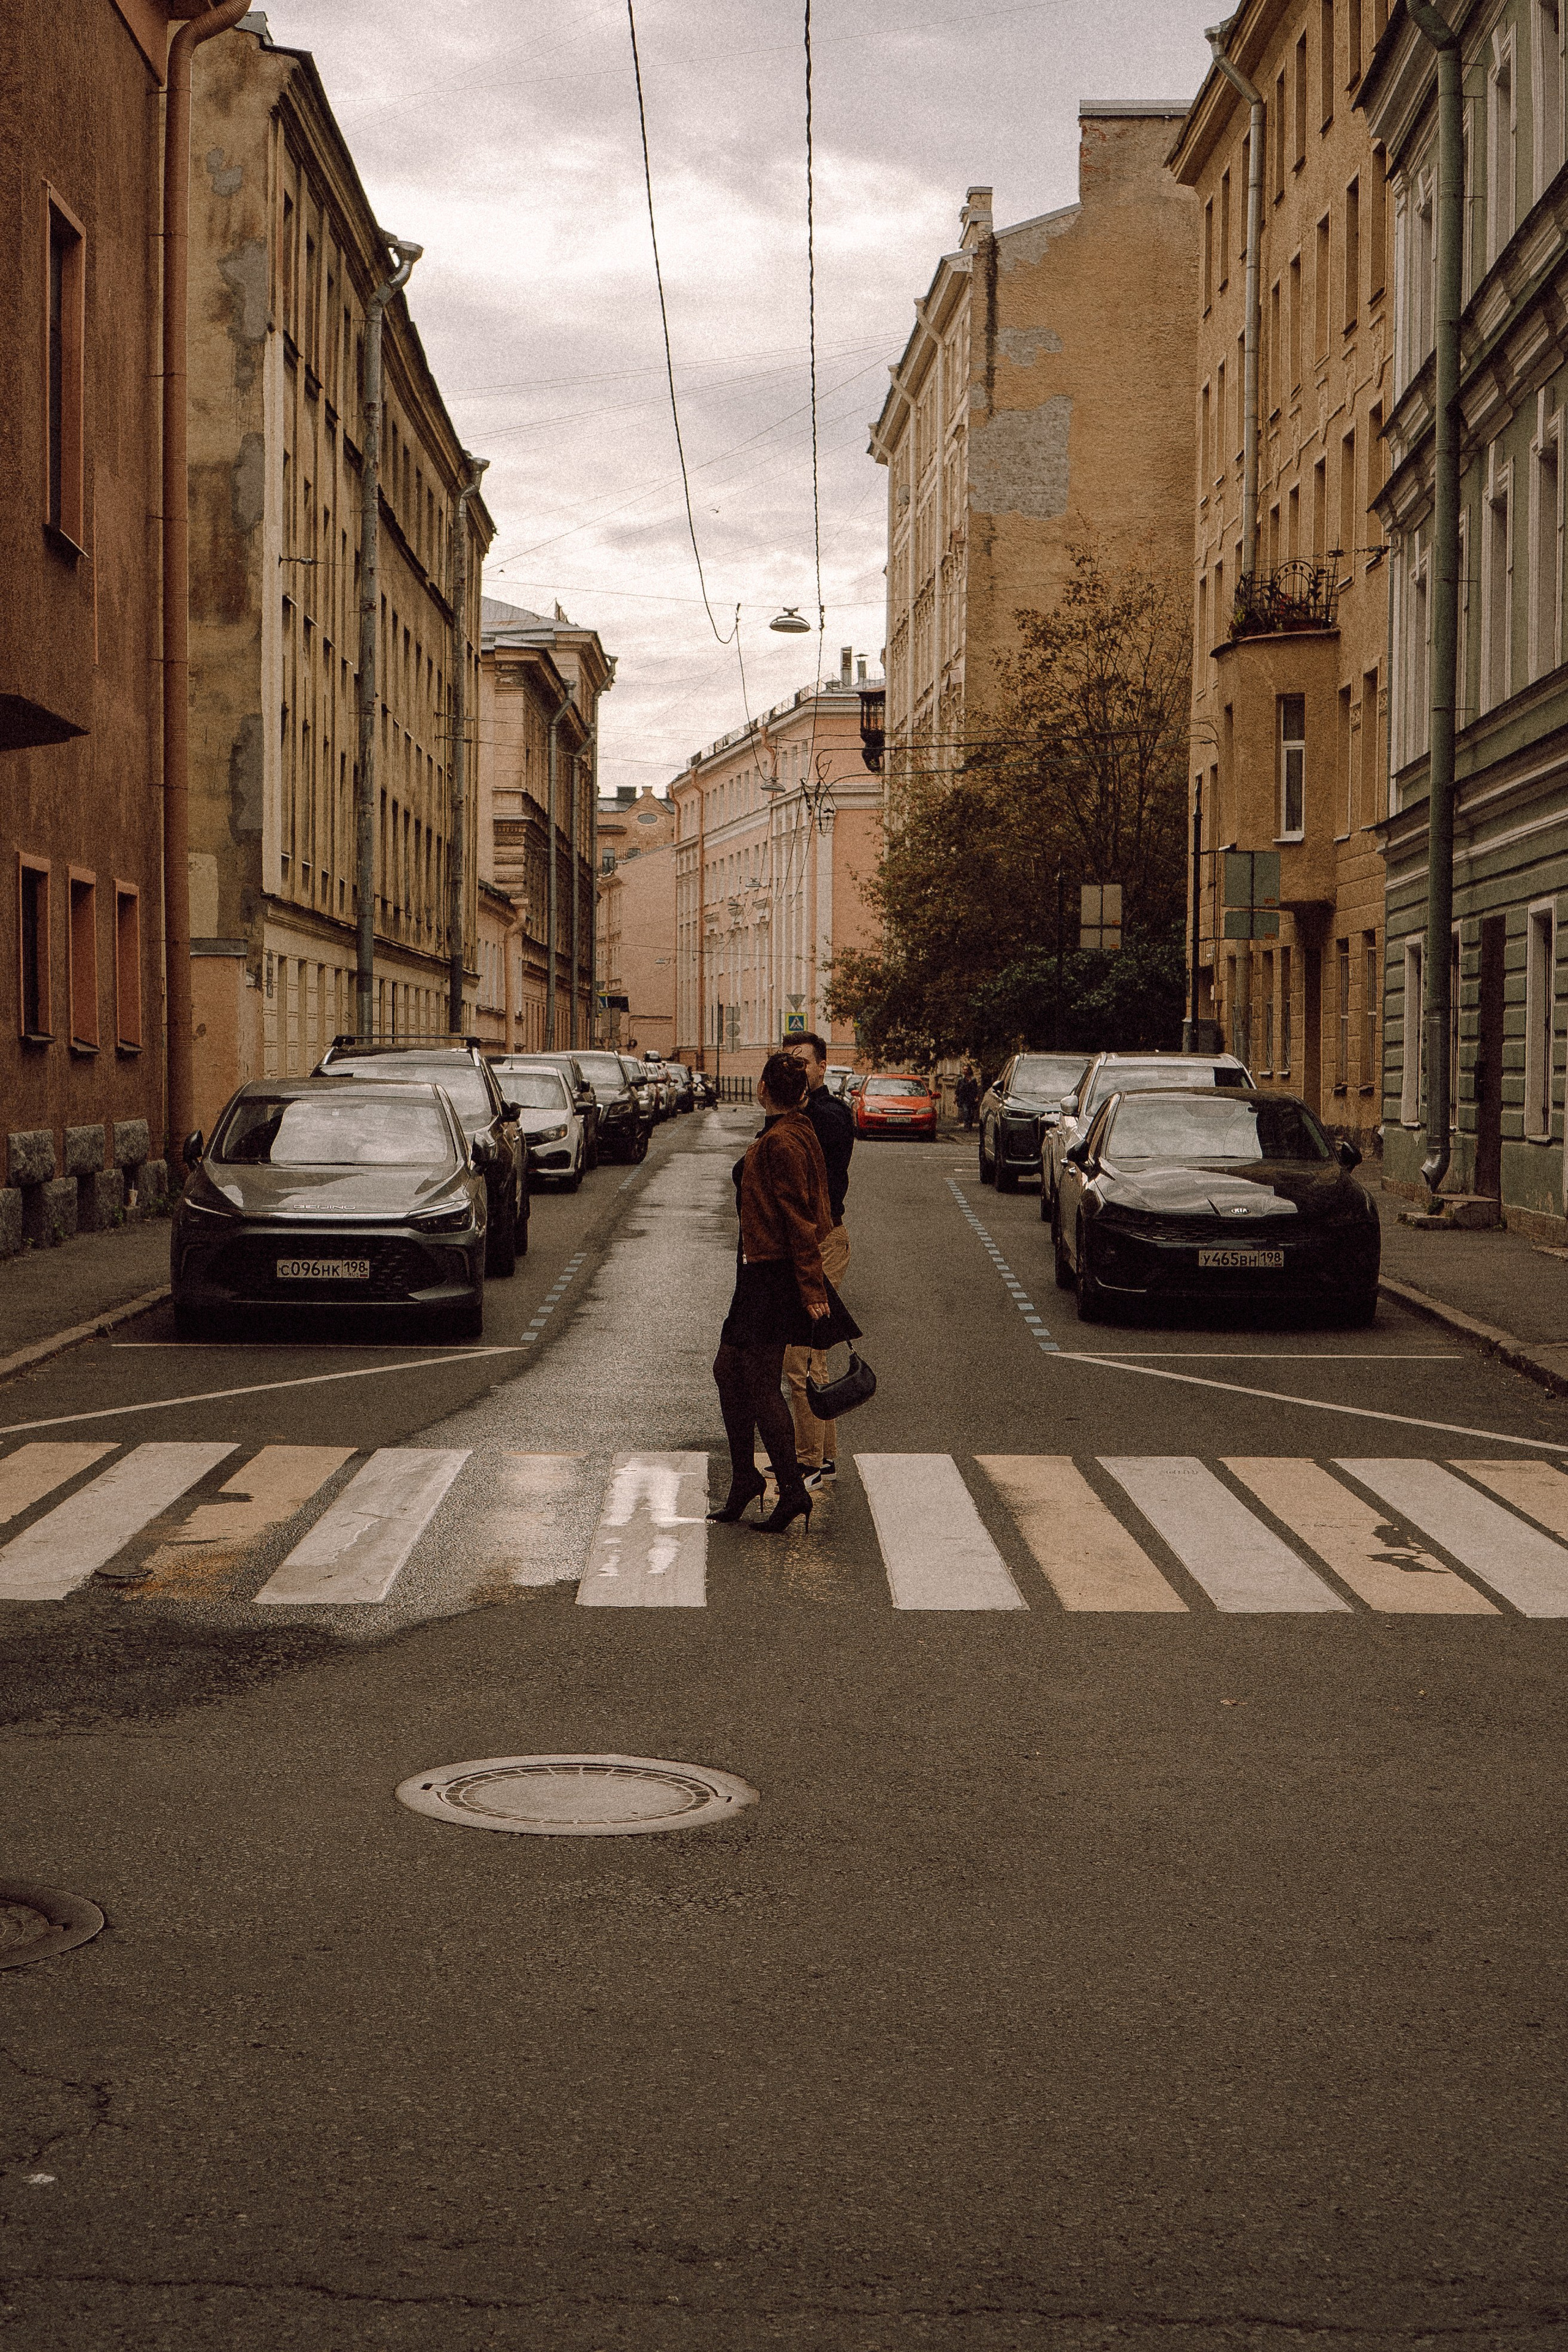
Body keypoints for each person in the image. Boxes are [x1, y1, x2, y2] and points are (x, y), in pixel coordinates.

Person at [709, 1050, 859, 1536]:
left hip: (770, 1278)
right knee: (728, 1370)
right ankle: (745, 1479)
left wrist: (813, 1287)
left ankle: (790, 1490)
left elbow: (800, 1219)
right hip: (756, 1270)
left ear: (761, 1088)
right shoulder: (793, 1132)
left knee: (759, 1382)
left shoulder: (783, 1142)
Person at [783, 1031, 854, 1486]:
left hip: (822, 1241)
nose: (796, 1070)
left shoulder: (826, 1116)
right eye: (787, 1063)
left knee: (800, 1359)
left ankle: (808, 1462)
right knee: (815, 1355)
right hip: (815, 1240)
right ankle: (822, 1457)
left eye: (803, 1063)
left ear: (823, 1067)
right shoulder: (805, 1114)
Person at [956, 1065, 980, 1129]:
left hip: (971, 1098)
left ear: (969, 1070)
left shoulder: (973, 1080)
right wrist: (956, 1097)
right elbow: (958, 1090)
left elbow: (976, 1089)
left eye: (966, 1070)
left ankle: (970, 1125)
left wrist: (977, 1097)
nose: (965, 1071)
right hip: (964, 1098)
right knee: (966, 1112)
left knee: (971, 1113)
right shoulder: (961, 1080)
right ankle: (966, 1126)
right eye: (964, 1069)